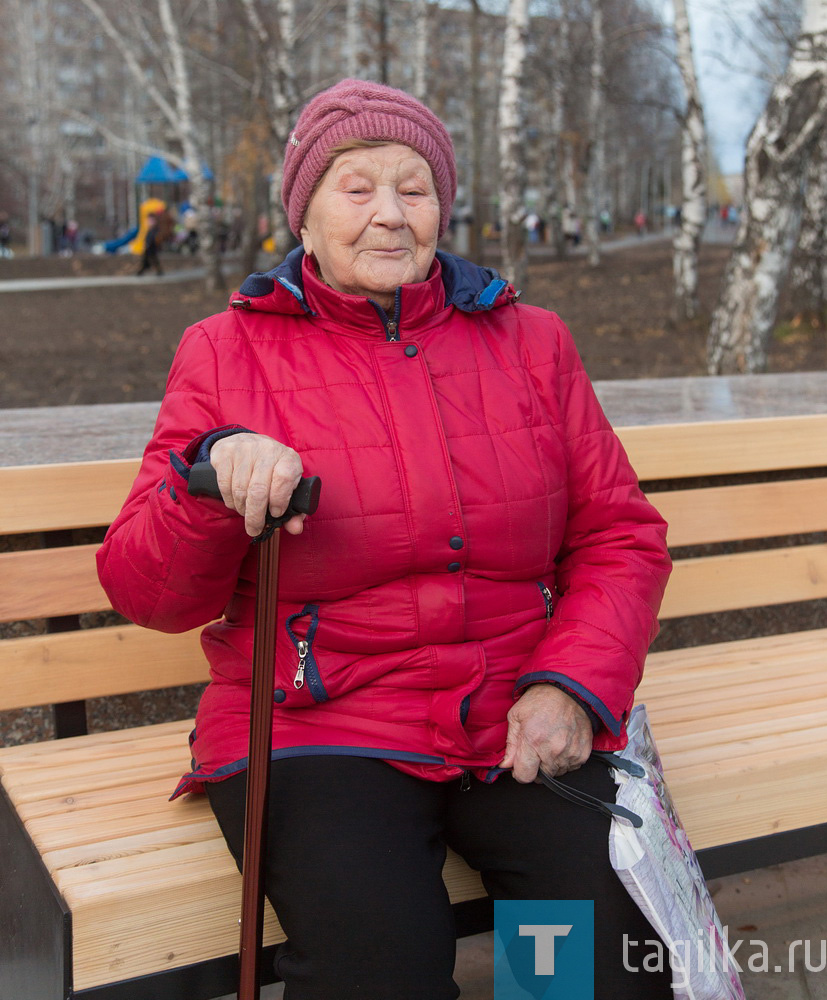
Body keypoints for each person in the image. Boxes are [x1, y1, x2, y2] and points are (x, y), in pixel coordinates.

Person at [97, 79, 672, 1000]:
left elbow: (619, 536)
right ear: (306, 212)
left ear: (443, 205)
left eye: (414, 187)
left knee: (592, 959)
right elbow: (149, 595)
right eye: (356, 187)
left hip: (511, 713)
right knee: (380, 971)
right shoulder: (225, 353)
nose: (389, 215)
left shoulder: (531, 343)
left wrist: (570, 686)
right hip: (317, 726)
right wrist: (208, 480)